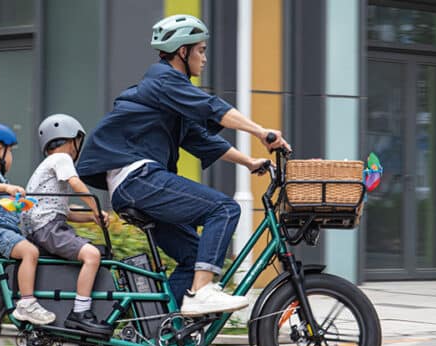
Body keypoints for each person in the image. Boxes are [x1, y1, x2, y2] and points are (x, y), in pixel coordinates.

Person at [76, 14, 291, 316]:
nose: (204, 58)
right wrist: (261, 132)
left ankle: (164, 330)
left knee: (192, 256)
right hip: (138, 179)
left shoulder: (169, 97)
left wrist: (248, 162)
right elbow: (211, 107)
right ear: (182, 52)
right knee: (224, 208)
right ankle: (201, 292)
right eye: (200, 50)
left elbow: (201, 139)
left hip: (137, 186)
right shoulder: (162, 80)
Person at [21, 114, 113, 336]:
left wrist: (91, 217)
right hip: (49, 228)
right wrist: (94, 207)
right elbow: (76, 184)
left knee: (94, 252)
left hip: (46, 227)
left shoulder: (47, 165)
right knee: (92, 255)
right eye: (78, 142)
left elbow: (65, 212)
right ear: (71, 140)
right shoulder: (61, 159)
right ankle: (80, 313)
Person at [0, 122, 56, 325]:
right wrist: (7, 190)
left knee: (34, 252)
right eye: (10, 151)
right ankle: (27, 304)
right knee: (30, 252)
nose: (11, 157)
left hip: (4, 229)